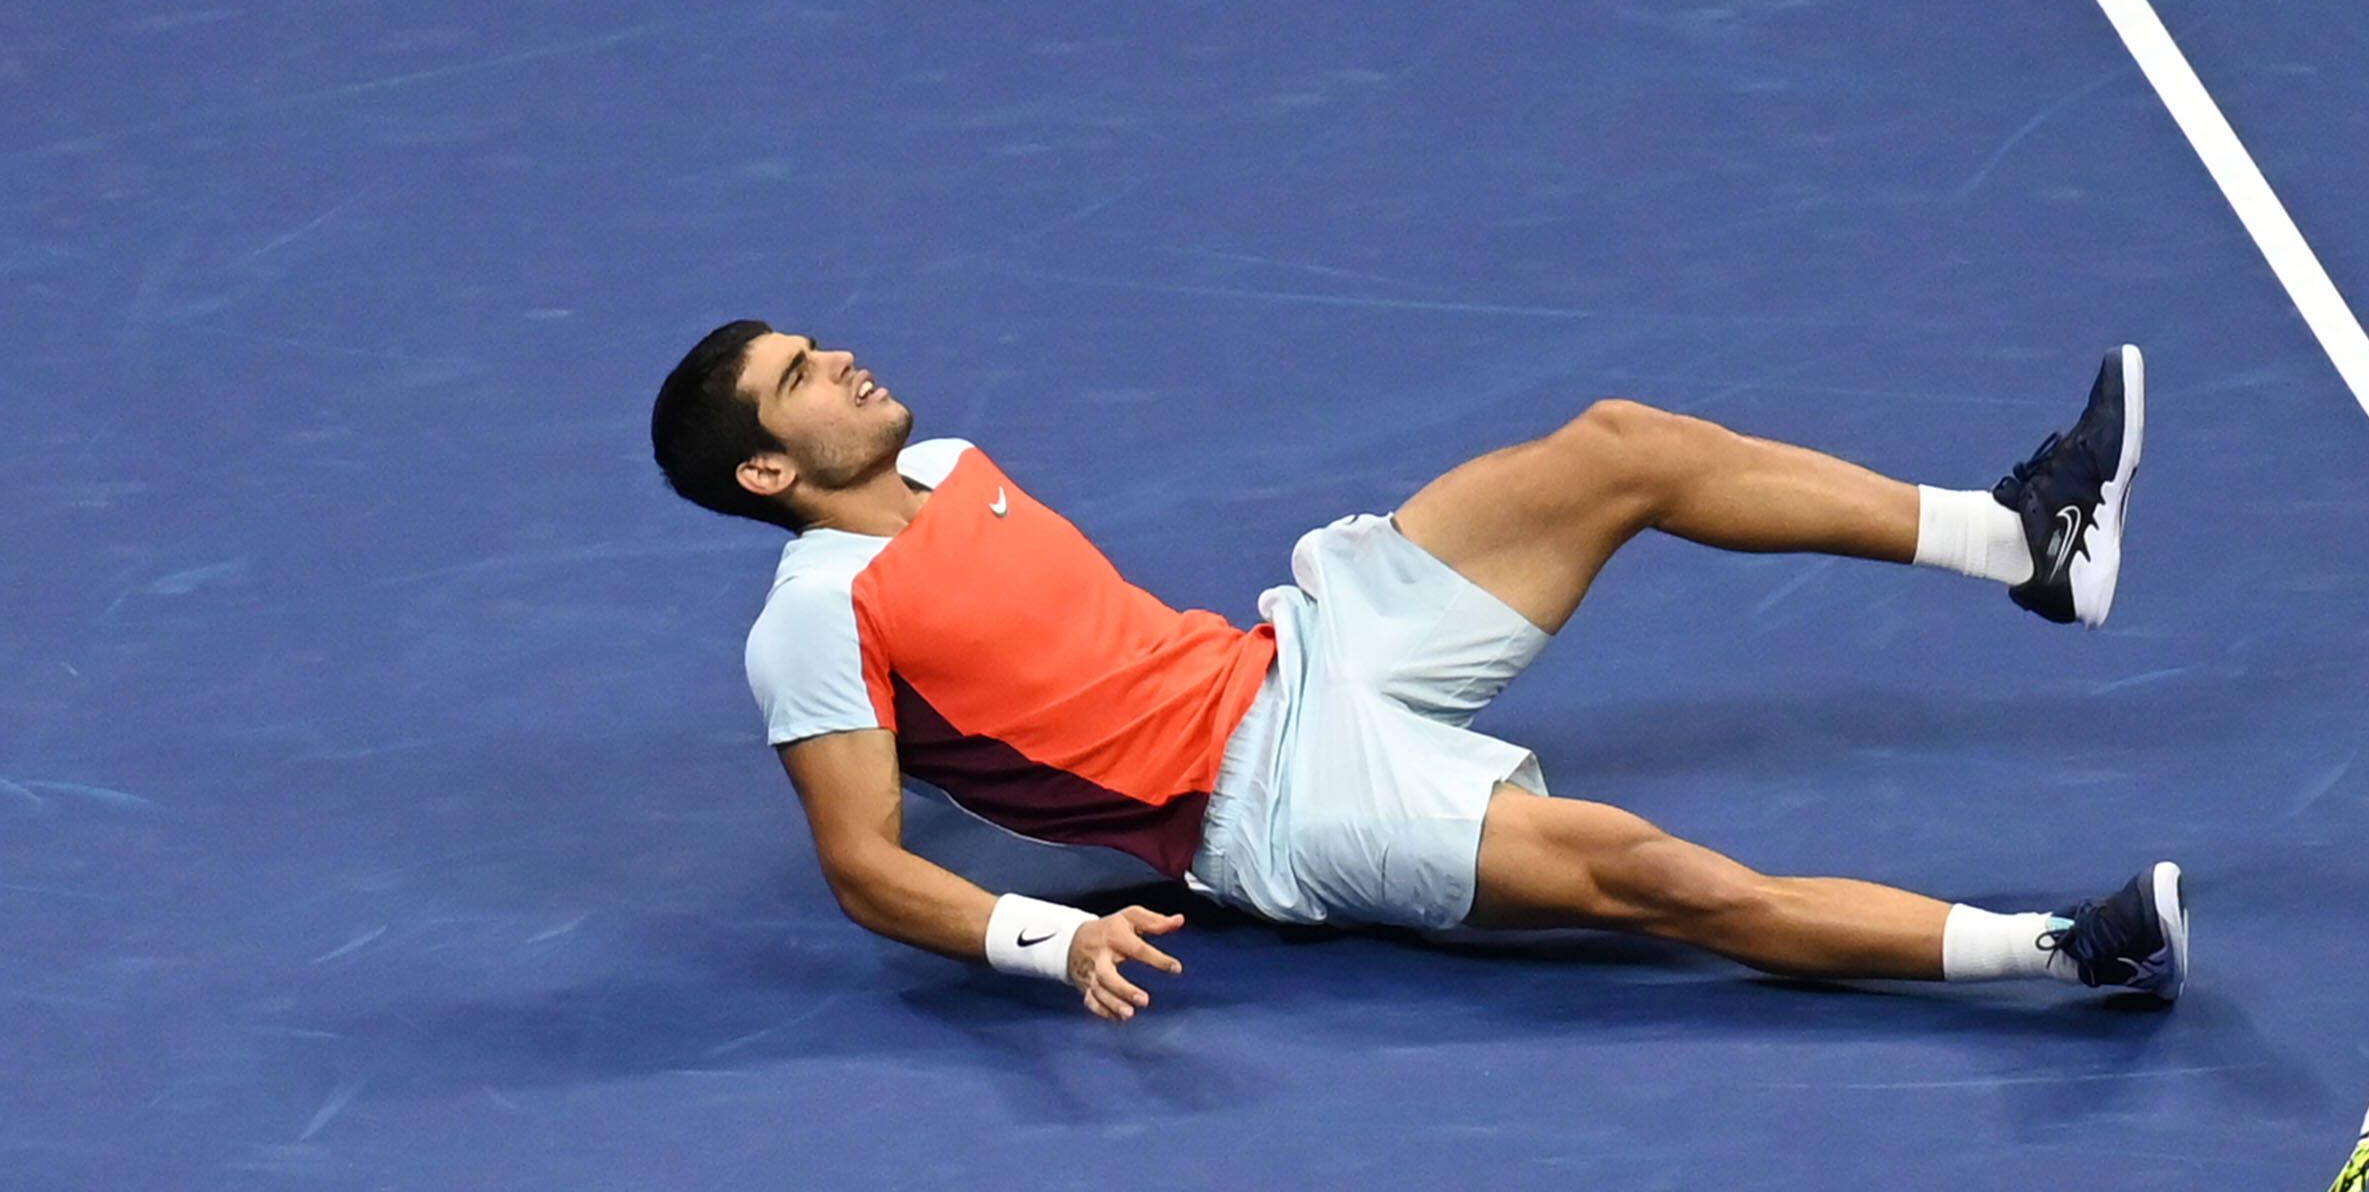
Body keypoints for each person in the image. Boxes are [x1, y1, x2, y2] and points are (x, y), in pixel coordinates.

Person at [648, 322, 2187, 1023]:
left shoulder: (942, 458)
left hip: (1294, 647)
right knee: (1658, 878)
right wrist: (1043, 941)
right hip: (1280, 803)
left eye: (813, 343)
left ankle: (2021, 541)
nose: (838, 357)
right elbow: (861, 864)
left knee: (1619, 448)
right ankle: (2063, 954)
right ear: (773, 471)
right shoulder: (810, 618)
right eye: (799, 380)